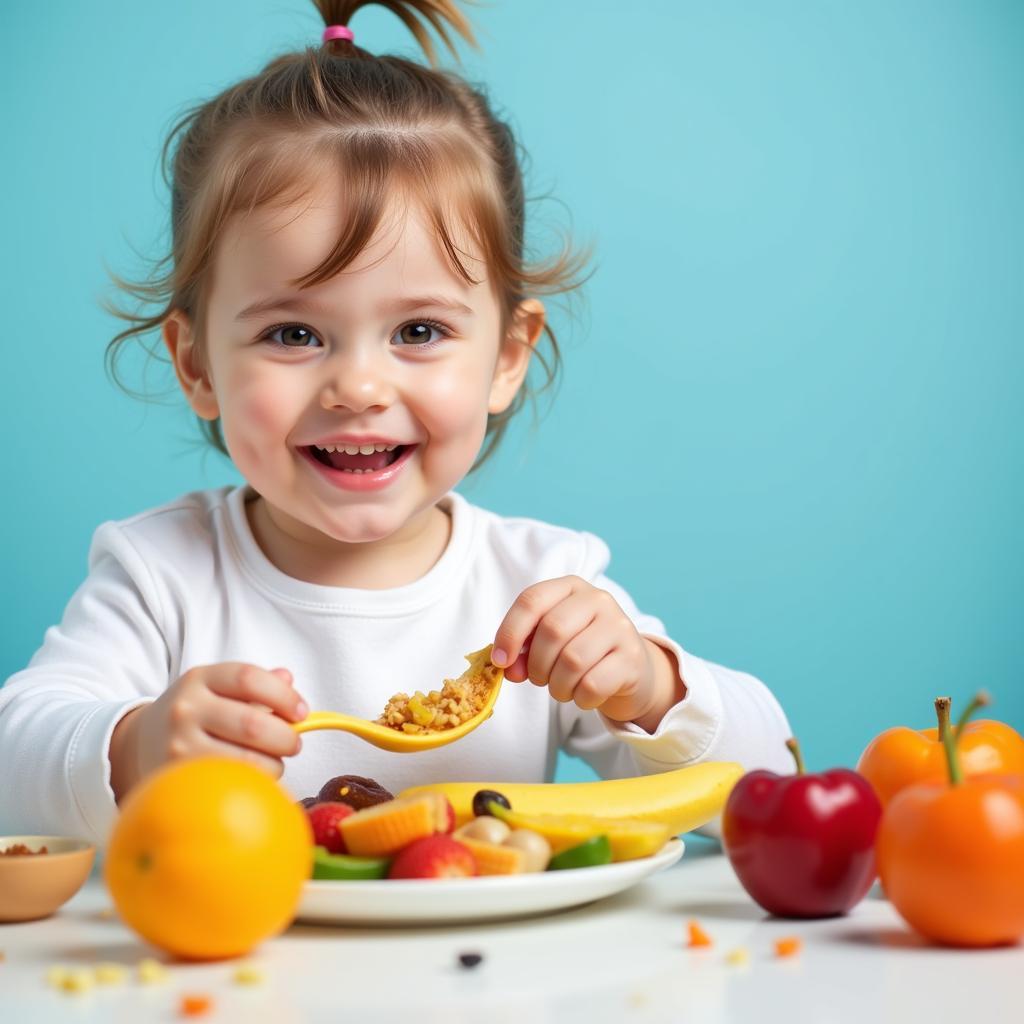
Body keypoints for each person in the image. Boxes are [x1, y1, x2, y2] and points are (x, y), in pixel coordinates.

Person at [0, 0, 791, 848]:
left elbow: (770, 779)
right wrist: (132, 747)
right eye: (293, 334)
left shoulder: (539, 585)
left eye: (419, 332)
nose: (359, 386)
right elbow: (15, 762)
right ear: (196, 365)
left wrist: (649, 688)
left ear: (507, 356)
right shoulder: (162, 577)